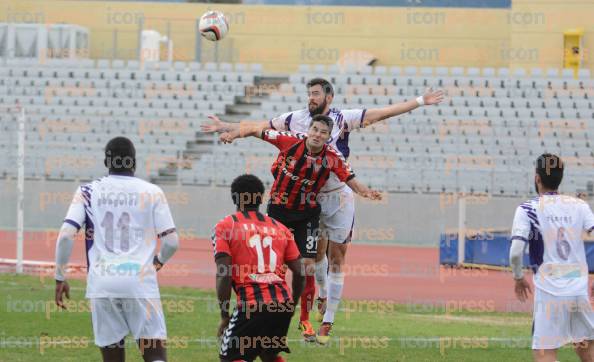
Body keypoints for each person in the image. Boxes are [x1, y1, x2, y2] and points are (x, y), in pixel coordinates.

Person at [203, 78, 442, 343]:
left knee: (336, 256)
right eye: (309, 94)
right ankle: (314, 296)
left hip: (338, 196)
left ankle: (327, 321)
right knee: (314, 257)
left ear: (329, 96)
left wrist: (420, 101)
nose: (311, 98)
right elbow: (260, 128)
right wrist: (227, 128)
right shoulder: (294, 120)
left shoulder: (343, 119)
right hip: (308, 199)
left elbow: (382, 113)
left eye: (316, 94)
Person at [219, 113, 382, 341]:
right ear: (309, 130)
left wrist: (366, 191)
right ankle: (265, 312)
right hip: (278, 209)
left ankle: (305, 321)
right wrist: (233, 135)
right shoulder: (289, 140)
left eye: (323, 132)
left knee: (306, 266)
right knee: (274, 267)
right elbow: (256, 130)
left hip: (307, 214)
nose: (317, 135)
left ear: (327, 137)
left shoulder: (332, 157)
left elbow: (350, 179)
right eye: (314, 129)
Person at [54, 136, 180, 362]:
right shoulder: (152, 192)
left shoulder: (86, 191)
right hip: (140, 282)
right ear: (134, 163)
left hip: (103, 283)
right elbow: (172, 241)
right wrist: (158, 262)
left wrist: (59, 277)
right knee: (155, 355)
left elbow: (65, 236)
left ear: (106, 162)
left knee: (112, 358)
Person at [509, 153, 594, 362]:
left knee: (545, 352)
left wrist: (518, 277)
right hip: (578, 287)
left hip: (550, 290)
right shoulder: (580, 206)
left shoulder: (527, 209)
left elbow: (516, 251)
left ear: (537, 178)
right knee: (585, 347)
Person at [213, 174, 305, 362]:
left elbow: (224, 273)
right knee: (268, 354)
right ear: (261, 198)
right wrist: (292, 304)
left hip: (252, 304)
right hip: (282, 304)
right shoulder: (281, 228)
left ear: (234, 198)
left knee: (230, 357)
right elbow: (301, 271)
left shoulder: (225, 226)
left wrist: (225, 315)